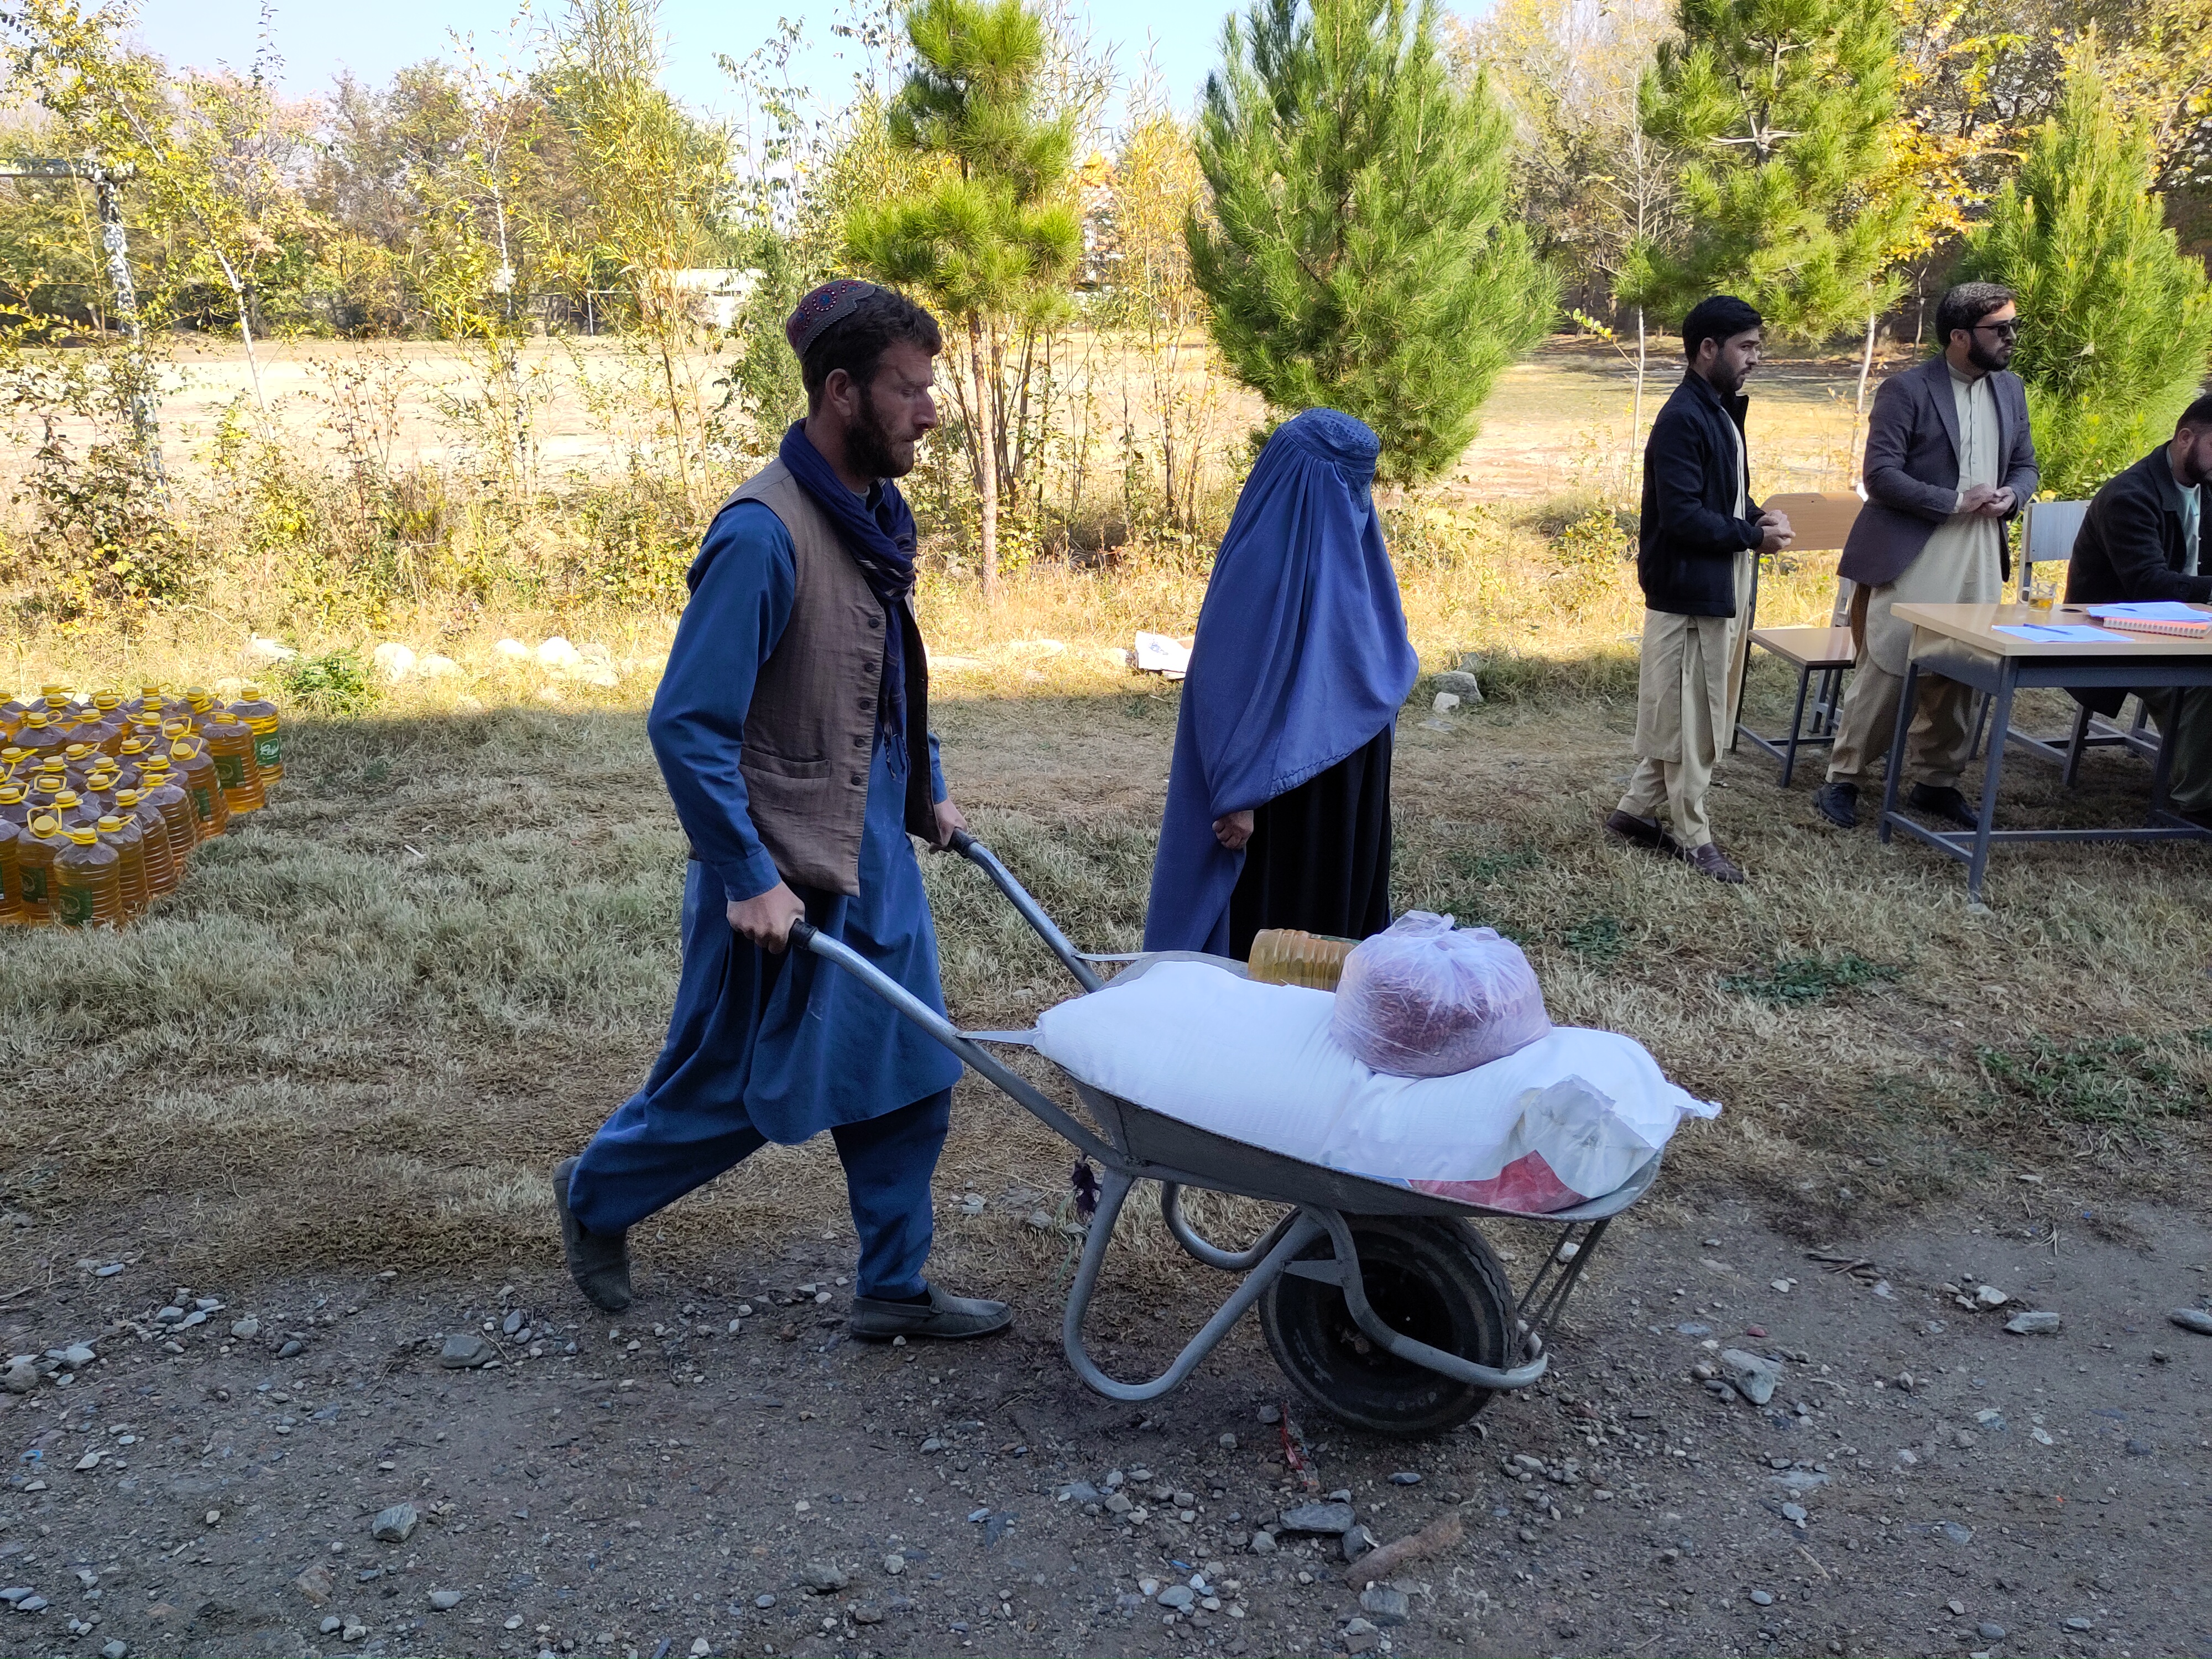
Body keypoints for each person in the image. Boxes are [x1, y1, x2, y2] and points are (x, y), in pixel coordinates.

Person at [552, 279, 1010, 1343]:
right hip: (778, 866)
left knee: (909, 1069)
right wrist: (747, 875)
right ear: (841, 391)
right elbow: (687, 726)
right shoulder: (765, 535)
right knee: (739, 1088)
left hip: (871, 853)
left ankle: (892, 1288)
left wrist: (924, 785)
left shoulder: (873, 517)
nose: (930, 411)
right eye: (909, 389)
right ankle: (596, 1196)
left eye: (930, 388)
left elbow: (888, 674)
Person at [1142, 408, 1418, 957]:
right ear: (1309, 479)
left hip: (1348, 781)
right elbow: (1229, 679)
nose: (1357, 498)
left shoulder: (1357, 553)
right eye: (1347, 483)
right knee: (1279, 937)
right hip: (1283, 789)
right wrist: (1238, 791)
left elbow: (1375, 662)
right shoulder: (1265, 555)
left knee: (1333, 930)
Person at [1812, 282, 2038, 830]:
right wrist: (1955, 500)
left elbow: (2027, 465)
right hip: (1913, 546)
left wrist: (2014, 494)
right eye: (1999, 329)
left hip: (1982, 547)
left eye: (2013, 327)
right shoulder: (1906, 390)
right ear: (1960, 337)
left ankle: (1935, 782)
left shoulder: (2010, 390)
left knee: (1966, 666)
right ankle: (1843, 778)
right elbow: (1880, 474)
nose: (2011, 338)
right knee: (1890, 663)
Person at [1606, 295, 1792, 884]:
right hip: (1689, 590)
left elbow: (1724, 494)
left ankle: (1634, 812)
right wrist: (1749, 537)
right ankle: (1692, 834)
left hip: (1713, 582)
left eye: (1757, 347)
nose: (1754, 359)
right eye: (1746, 347)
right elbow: (1684, 516)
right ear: (1707, 348)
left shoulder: (1717, 410)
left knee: (1683, 712)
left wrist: (1757, 518)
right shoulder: (1684, 416)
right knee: (1697, 718)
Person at [2064, 391, 2212, 825]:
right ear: (2185, 438)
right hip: (2117, 636)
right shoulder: (2130, 495)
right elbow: (2149, 585)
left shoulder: (2206, 485)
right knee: (2207, 683)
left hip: (2189, 628)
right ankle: (2198, 803)